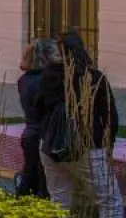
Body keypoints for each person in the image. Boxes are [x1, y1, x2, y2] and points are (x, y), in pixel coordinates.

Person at [37, 31, 122, 215]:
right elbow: (110, 118)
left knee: (59, 201)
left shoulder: (48, 76)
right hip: (87, 147)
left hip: (51, 146)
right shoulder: (94, 77)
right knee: (109, 201)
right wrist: (108, 146)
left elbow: (38, 110)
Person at [16, 38, 57, 198]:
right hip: (43, 136)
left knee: (30, 174)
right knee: (42, 182)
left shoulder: (24, 80)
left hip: (30, 134)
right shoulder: (44, 81)